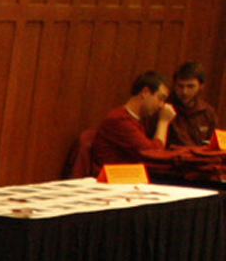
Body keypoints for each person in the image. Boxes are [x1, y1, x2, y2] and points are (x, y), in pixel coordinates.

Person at [88, 70, 226, 184]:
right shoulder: (120, 119)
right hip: (114, 182)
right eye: (160, 98)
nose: (161, 105)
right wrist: (163, 122)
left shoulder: (135, 120)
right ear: (146, 92)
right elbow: (154, 154)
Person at [167, 62, 217, 149]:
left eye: (190, 86)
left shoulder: (208, 112)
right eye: (180, 86)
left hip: (201, 159)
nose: (184, 92)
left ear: (201, 86)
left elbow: (215, 145)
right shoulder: (165, 109)